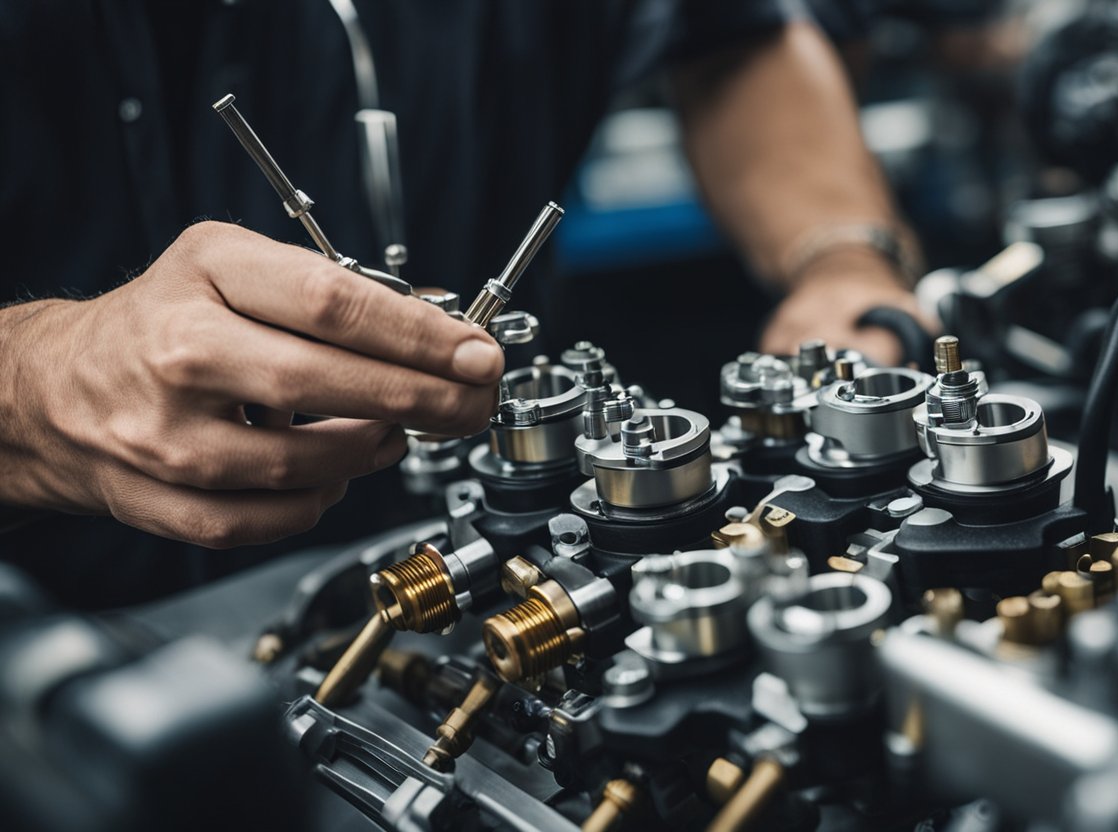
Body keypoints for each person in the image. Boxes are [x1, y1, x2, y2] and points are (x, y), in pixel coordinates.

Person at [0, 1, 920, 604]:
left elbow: (729, 36)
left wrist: (841, 261)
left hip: (518, 538)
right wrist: (32, 389)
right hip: (61, 622)